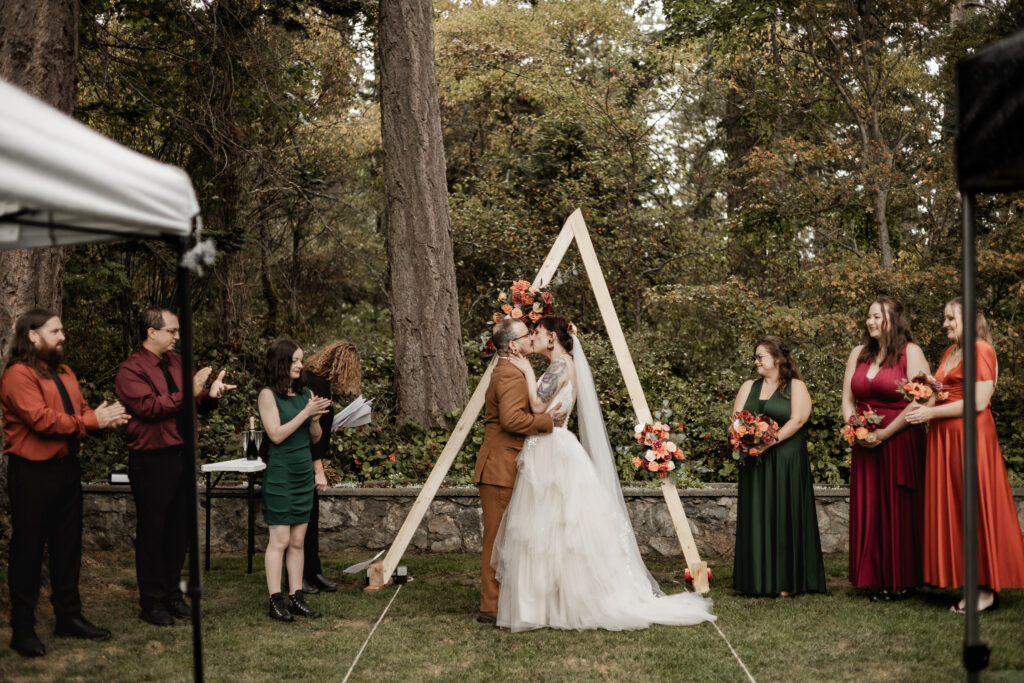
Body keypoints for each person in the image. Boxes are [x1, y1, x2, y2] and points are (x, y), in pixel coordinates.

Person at [495, 315, 715, 631]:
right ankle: (552, 604)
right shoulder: (562, 364)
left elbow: (537, 405)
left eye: (539, 332)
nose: (535, 337)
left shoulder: (557, 366)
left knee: (554, 526)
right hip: (552, 445)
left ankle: (558, 604)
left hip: (552, 449)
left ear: (553, 337)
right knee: (552, 528)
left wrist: (526, 370)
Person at [1, 309, 130, 657]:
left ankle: (68, 617)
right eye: (55, 330)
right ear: (32, 335)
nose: (63, 336)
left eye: (62, 330)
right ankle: (23, 629)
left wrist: (101, 420)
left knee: (68, 547)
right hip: (31, 473)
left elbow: (81, 411)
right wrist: (93, 421)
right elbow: (42, 421)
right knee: (28, 550)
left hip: (67, 470)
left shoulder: (65, 372)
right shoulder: (17, 375)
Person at [116, 307, 235, 626]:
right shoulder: (131, 370)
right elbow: (150, 408)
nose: (177, 336)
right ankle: (151, 601)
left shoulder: (178, 363)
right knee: (153, 532)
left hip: (183, 456)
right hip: (153, 460)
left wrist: (210, 394)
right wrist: (191, 390)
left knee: (179, 531)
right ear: (151, 332)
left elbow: (194, 403)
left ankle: (172, 594)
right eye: (172, 331)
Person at [906, 298, 1024, 612]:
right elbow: (941, 392)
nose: (944, 323)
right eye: (944, 318)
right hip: (945, 439)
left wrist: (931, 414)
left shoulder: (981, 349)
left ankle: (986, 589)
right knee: (956, 509)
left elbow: (979, 401)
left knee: (974, 506)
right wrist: (921, 404)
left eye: (950, 318)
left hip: (970, 438)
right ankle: (969, 581)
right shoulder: (950, 352)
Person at [473, 318, 566, 625]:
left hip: (504, 465)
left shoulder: (510, 370)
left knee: (504, 538)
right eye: (527, 335)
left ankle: (504, 600)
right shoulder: (510, 375)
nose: (531, 339)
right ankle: (491, 606)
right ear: (513, 345)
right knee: (495, 540)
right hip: (499, 468)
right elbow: (512, 420)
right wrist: (548, 424)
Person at [841, 297, 930, 601]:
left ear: (894, 319)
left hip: (900, 438)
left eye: (877, 316)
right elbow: (847, 399)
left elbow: (924, 399)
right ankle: (876, 577)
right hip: (865, 442)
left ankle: (902, 581)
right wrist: (856, 429)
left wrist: (885, 433)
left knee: (898, 507)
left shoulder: (911, 352)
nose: (870, 322)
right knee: (872, 508)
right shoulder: (859, 353)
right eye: (868, 316)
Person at [731, 335, 825, 597]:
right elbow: (736, 420)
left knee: (785, 513)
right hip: (754, 461)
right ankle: (755, 580)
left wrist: (768, 441)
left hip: (786, 460)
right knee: (757, 515)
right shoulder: (748, 386)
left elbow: (797, 420)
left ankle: (786, 581)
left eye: (760, 356)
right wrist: (743, 438)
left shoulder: (796, 386)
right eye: (756, 356)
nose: (756, 361)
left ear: (778, 358)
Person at [258, 339, 331, 621]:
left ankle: (297, 597)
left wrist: (314, 420)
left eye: (301, 360)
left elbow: (315, 438)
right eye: (295, 360)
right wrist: (305, 413)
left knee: (298, 541)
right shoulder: (268, 395)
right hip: (281, 473)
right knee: (279, 539)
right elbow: (275, 435)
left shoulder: (306, 393)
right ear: (281, 363)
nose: (301, 365)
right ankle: (275, 600)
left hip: (302, 472)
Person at [299, 340, 361, 594]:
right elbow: (310, 431)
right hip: (304, 459)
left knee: (311, 521)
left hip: (308, 456)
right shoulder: (315, 385)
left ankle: (314, 572)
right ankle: (302, 575)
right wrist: (319, 469)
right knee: (304, 522)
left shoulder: (314, 381)